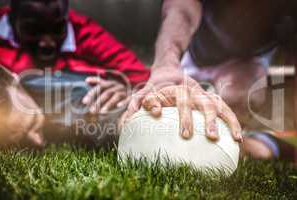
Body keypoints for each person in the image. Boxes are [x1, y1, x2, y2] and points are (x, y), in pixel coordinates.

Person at [123, 0, 297, 159]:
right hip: (194, 51)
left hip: (248, 62)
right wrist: (166, 66)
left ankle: (264, 143)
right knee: (155, 103)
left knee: (235, 101)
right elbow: (182, 7)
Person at [0, 0, 150, 147]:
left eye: (57, 30)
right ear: (11, 18)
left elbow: (140, 76)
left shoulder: (84, 31)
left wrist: (123, 86)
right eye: (32, 30)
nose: (47, 43)